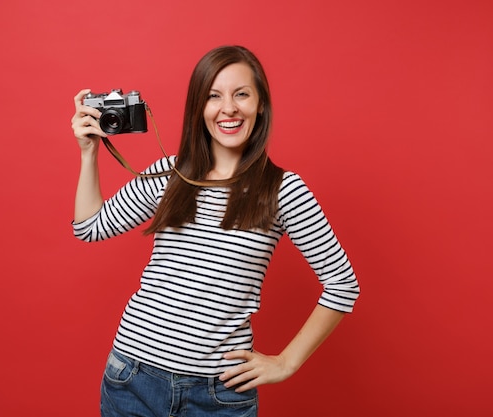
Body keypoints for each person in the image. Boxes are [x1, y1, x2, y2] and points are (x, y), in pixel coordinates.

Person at [70, 45, 360, 417]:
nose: (228, 108)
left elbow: (343, 283)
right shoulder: (171, 173)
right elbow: (90, 228)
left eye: (241, 94)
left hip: (219, 395)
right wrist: (88, 152)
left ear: (261, 106)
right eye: (213, 96)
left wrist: (287, 362)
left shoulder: (284, 190)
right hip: (132, 378)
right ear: (199, 108)